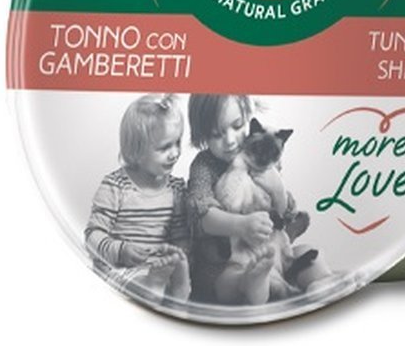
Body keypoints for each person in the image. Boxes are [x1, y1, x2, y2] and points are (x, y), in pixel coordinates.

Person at [185, 94, 331, 304]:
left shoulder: (261, 150)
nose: (230, 140)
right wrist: (241, 225)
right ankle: (258, 284)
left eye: (237, 126)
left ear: (248, 119)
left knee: (307, 252)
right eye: (217, 134)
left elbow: (285, 214)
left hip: (271, 252)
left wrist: (278, 190)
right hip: (224, 263)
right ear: (202, 135)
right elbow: (201, 215)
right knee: (235, 278)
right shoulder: (204, 166)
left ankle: (323, 281)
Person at [85, 94, 191, 301]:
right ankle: (153, 287)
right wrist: (121, 251)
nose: (175, 153)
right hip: (121, 269)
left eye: (177, 142)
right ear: (136, 151)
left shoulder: (176, 189)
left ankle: (173, 290)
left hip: (159, 268)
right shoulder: (115, 187)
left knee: (180, 273)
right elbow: (92, 236)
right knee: (131, 282)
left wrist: (178, 254)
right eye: (165, 147)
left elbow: (181, 237)